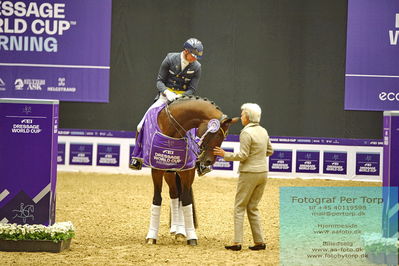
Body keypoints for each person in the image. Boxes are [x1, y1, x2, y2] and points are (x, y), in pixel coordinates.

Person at [130, 38, 204, 170]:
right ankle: (137, 157)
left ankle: (199, 162)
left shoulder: (197, 67)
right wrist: (167, 92)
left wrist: (181, 96)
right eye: (193, 56)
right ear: (186, 51)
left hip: (183, 99)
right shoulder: (170, 59)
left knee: (196, 127)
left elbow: (192, 89)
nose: (195, 59)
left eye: (197, 57)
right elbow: (159, 81)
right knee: (140, 125)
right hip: (165, 96)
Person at [213, 103, 273, 251]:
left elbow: (243, 155)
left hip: (249, 173)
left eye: (242, 114)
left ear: (248, 117)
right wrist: (258, 158)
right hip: (262, 172)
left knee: (239, 207)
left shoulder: (246, 133)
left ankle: (237, 242)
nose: (241, 117)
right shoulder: (263, 131)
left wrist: (224, 154)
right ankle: (259, 241)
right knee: (253, 207)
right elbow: (270, 151)